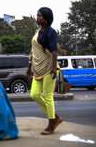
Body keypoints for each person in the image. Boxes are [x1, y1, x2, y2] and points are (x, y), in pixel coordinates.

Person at [27, 7, 62, 135]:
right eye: (37, 15)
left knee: (47, 97)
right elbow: (33, 50)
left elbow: (54, 52)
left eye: (40, 16)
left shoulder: (51, 32)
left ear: (46, 19)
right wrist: (29, 66)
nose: (37, 18)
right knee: (34, 95)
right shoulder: (38, 31)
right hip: (37, 69)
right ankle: (56, 117)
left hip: (49, 69)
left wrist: (53, 68)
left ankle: (51, 124)